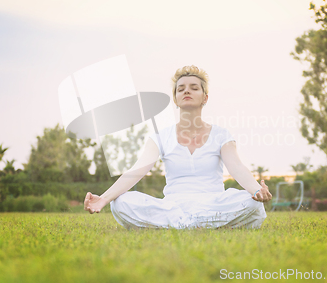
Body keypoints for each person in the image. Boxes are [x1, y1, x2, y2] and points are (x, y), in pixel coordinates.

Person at [84, 65, 272, 229]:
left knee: (252, 203)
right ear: (175, 98)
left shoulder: (221, 135)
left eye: (193, 88)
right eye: (180, 89)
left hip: (213, 204)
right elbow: (136, 171)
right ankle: (200, 224)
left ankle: (181, 225)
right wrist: (105, 198)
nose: (186, 91)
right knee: (120, 203)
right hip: (173, 208)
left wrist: (256, 190)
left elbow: (237, 167)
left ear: (205, 97)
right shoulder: (160, 137)